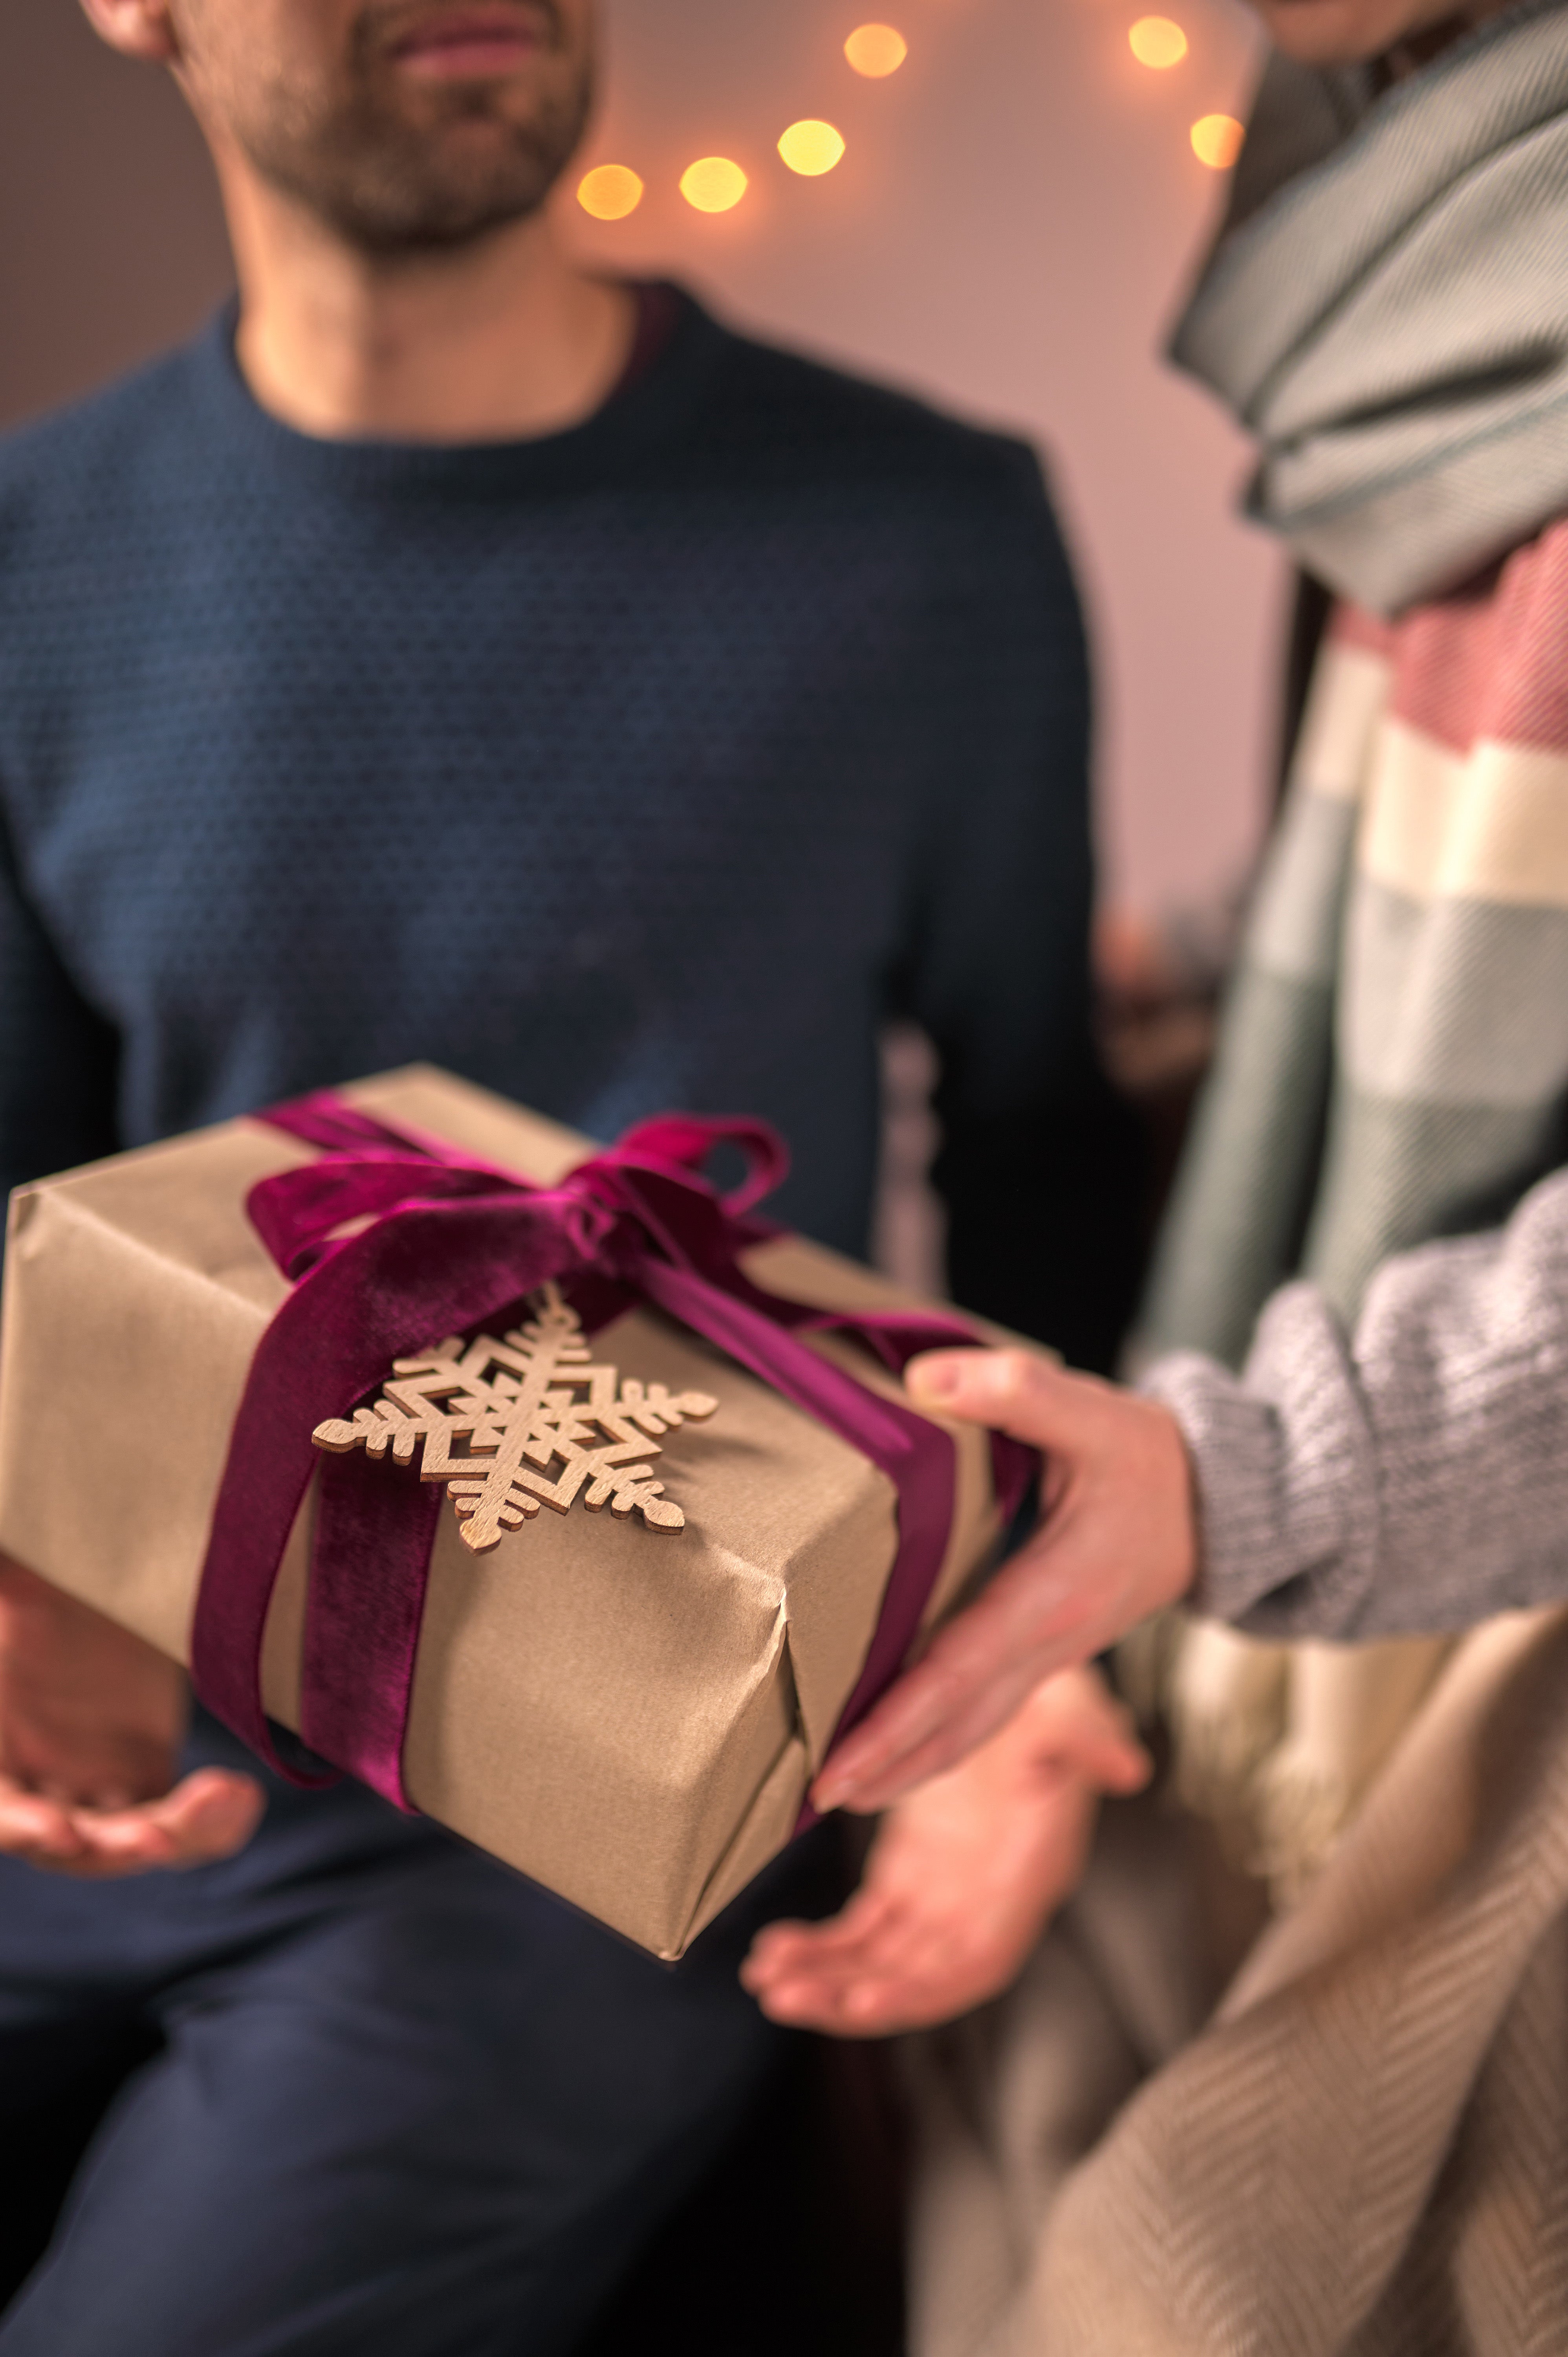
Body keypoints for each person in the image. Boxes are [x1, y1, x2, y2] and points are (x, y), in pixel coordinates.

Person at [0, 4, 1142, 2352]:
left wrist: (1043, 1676)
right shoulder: (35, 559)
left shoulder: (925, 534)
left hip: (600, 1807)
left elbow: (1046, 1177)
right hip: (122, 1722)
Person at [745, 12, 1568, 2330]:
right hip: (1340, 1429)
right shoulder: (1415, 219)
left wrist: (1215, 1486)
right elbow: (1442, 807)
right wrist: (1155, 963)